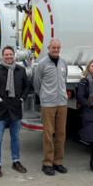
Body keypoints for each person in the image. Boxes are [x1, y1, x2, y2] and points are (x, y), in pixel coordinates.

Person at [0, 46, 29, 178]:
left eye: (11, 54)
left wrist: (22, 98)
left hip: (15, 108)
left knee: (15, 138)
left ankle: (16, 162)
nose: (9, 56)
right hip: (1, 109)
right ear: (2, 56)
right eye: (6, 54)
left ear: (14, 56)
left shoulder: (20, 70)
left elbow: (27, 86)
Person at [33, 38, 68, 176]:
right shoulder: (42, 64)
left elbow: (64, 80)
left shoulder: (63, 63)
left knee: (61, 134)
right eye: (53, 47)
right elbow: (36, 82)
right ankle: (47, 163)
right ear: (48, 48)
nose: (56, 50)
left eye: (58, 47)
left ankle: (58, 162)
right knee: (48, 134)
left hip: (62, 103)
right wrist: (43, 96)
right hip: (48, 104)